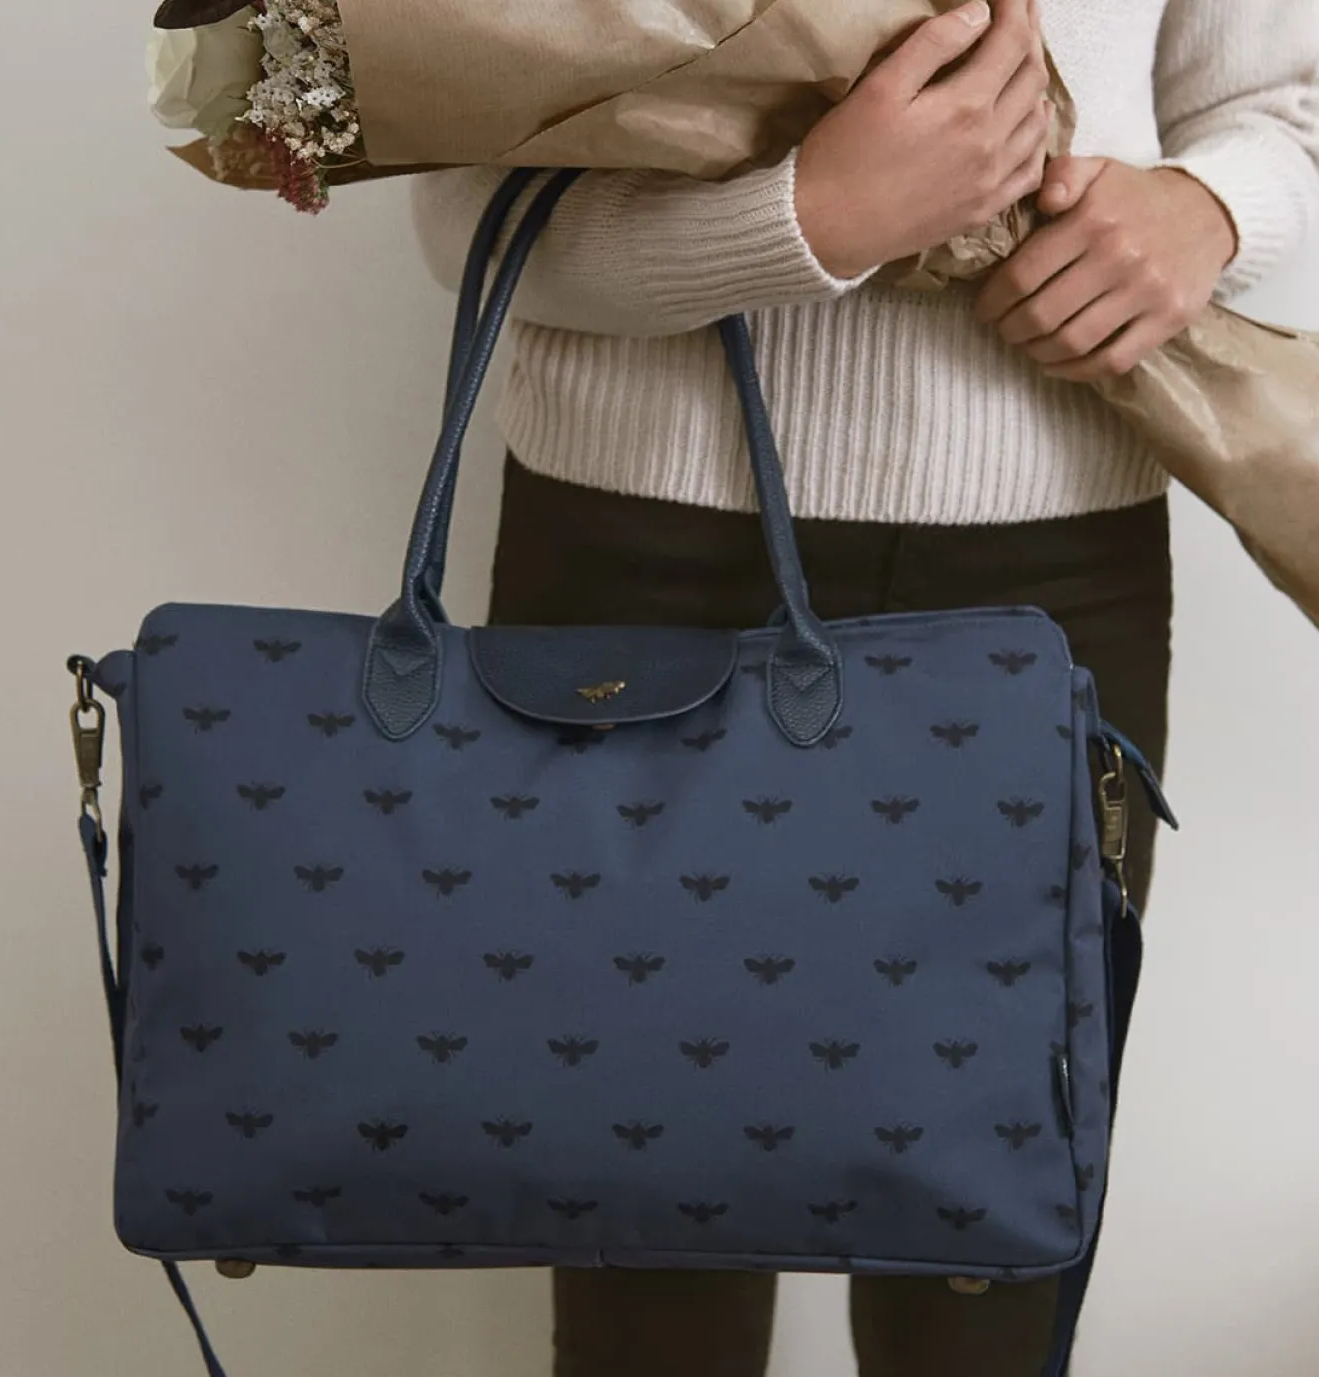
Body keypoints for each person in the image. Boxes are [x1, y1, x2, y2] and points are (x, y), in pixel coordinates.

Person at [410, 1, 1319, 1373]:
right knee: (645, 1261)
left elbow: (1284, 107)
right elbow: (463, 211)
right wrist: (810, 219)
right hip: (637, 555)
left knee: (989, 1260)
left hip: (1054, 574)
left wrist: (1205, 211)